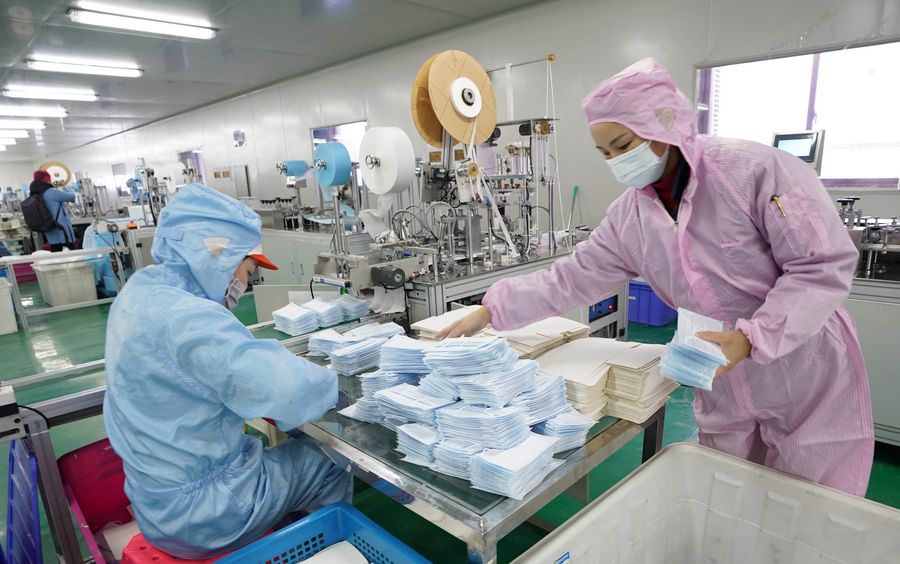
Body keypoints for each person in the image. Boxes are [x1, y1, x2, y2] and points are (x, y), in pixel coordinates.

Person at [439, 58, 873, 496]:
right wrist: (492, 309)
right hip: (719, 372)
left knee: (811, 501)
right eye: (605, 153)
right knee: (727, 492)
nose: (616, 160)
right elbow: (572, 276)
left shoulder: (753, 171)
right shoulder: (631, 217)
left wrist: (753, 338)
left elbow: (820, 266)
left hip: (801, 364)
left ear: (665, 123)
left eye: (622, 144)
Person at [103, 183, 351, 558]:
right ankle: (322, 551)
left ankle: (285, 525)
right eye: (248, 269)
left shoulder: (140, 292)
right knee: (327, 461)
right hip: (204, 515)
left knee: (278, 450)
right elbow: (287, 389)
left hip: (154, 504)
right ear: (217, 255)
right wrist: (337, 388)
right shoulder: (188, 316)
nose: (246, 283)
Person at [29, 170, 76, 251]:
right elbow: (72, 197)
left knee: (56, 253)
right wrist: (65, 186)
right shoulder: (51, 192)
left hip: (50, 230)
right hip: (62, 230)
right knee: (70, 254)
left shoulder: (36, 193)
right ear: (46, 180)